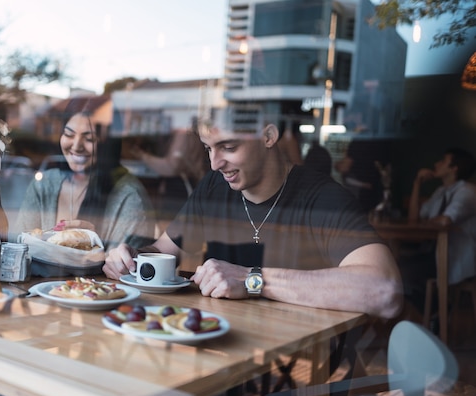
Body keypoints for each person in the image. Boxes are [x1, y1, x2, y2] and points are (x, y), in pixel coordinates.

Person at [103, 119, 403, 319]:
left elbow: (385, 291)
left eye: (229, 147)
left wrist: (251, 280)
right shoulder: (212, 186)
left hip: (302, 359)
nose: (215, 163)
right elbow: (162, 251)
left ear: (268, 136)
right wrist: (132, 258)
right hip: (225, 347)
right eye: (209, 148)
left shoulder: (323, 198)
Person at [13, 99, 156, 252]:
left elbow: (126, 269)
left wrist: (95, 243)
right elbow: (18, 247)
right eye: (69, 134)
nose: (76, 146)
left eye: (89, 139)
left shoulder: (130, 197)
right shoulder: (45, 183)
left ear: (107, 144)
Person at [402, 147, 476, 312]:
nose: (436, 164)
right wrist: (417, 183)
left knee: (400, 273)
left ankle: (438, 313)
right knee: (395, 267)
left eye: (443, 161)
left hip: (453, 257)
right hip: (432, 254)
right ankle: (435, 314)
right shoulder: (441, 192)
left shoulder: (467, 192)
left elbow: (445, 221)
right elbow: (414, 219)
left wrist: (427, 222)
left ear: (454, 168)